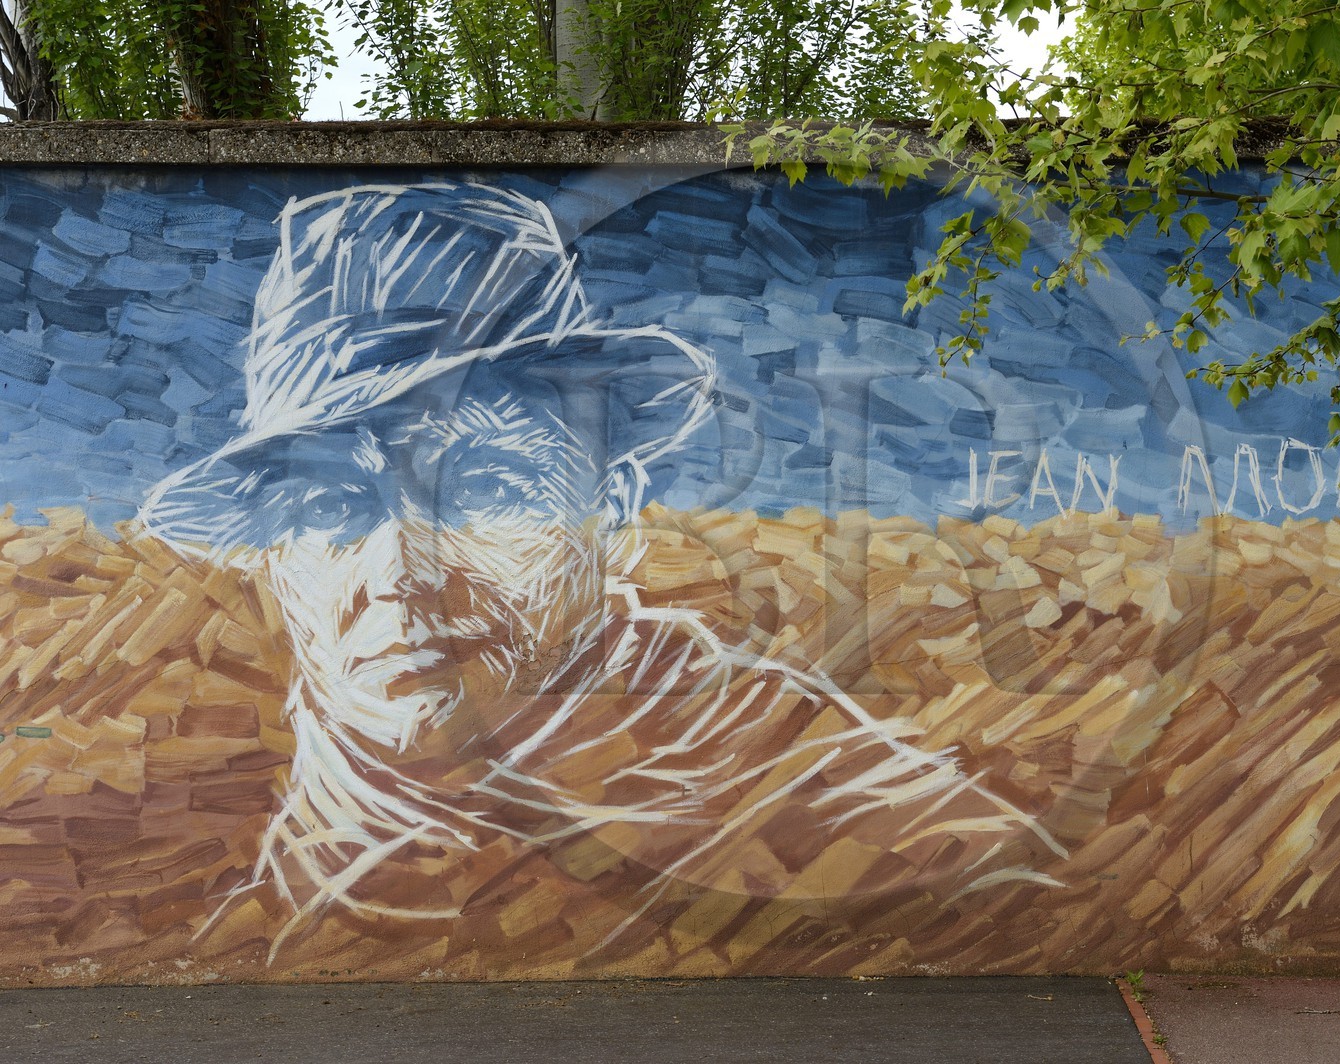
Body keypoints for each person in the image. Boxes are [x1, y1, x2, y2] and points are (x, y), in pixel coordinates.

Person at [139, 182, 1068, 962]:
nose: (403, 572)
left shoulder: (830, 798)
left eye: (484, 489)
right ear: (269, 559)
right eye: (331, 509)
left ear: (609, 512)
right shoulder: (280, 892)